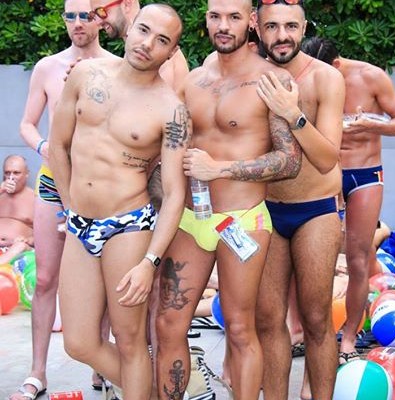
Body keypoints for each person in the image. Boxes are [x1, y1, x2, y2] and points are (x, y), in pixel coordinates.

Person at [155, 1, 301, 399]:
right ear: (205, 19)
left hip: (243, 220)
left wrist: (220, 169)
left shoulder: (272, 80)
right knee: (168, 325)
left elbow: (289, 162)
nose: (223, 25)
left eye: (234, 17)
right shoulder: (193, 81)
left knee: (239, 328)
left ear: (251, 21)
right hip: (191, 218)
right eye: (215, 16)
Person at [48, 4, 189, 400]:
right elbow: (57, 146)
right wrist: (69, 207)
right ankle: (155, 394)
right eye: (143, 30)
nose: (147, 44)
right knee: (78, 342)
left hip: (128, 226)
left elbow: (175, 193)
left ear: (171, 52)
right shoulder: (84, 75)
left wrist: (150, 262)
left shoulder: (172, 111)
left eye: (162, 40)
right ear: (130, 28)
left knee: (130, 343)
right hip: (79, 223)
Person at [10, 1, 118, 399]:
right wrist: (45, 147)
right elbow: (26, 123)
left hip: (99, 183)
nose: (77, 23)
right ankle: (37, 371)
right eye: (70, 16)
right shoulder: (47, 67)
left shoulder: (118, 66)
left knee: (105, 279)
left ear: (100, 20)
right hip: (54, 182)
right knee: (45, 278)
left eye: (85, 15)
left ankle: (101, 365)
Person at [254, 1, 346, 400]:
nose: (282, 36)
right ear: (257, 27)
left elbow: (326, 159)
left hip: (315, 210)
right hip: (264, 210)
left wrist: (293, 114)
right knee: (268, 321)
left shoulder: (326, 79)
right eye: (272, 26)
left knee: (316, 319)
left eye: (291, 26)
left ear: (304, 27)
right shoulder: (247, 76)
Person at [302, 36, 395, 364]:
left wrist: (370, 123)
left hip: (364, 174)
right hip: (325, 175)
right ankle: (307, 331)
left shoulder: (370, 76)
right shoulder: (305, 78)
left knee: (358, 258)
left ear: (336, 65)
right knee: (312, 258)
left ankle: (350, 335)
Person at [89, 0, 189, 95]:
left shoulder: (158, 59)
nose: (98, 22)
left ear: (127, 4)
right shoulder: (139, 54)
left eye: (101, 11)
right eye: (94, 15)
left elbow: (153, 103)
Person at [0, 155, 34, 265]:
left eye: (16, 173)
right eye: (7, 173)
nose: (11, 177)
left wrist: (28, 240)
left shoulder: (35, 199)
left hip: (17, 249)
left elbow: (46, 234)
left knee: (20, 246)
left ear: (27, 174)